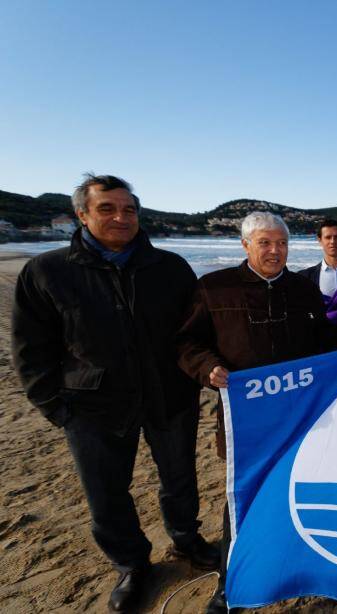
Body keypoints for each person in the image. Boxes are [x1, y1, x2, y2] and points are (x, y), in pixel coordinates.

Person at [11, 174, 218, 612]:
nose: (121, 217)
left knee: (180, 479)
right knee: (106, 491)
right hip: (90, 405)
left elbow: (196, 332)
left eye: (128, 209)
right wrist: (58, 408)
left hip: (170, 396)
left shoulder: (170, 268)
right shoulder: (47, 271)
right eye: (107, 209)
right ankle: (130, 564)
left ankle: (186, 539)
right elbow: (31, 352)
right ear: (82, 215)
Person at [176, 211, 337, 614]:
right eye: (265, 243)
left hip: (301, 419)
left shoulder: (302, 289)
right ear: (245, 245)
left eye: (281, 243)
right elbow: (187, 345)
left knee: (301, 493)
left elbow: (324, 333)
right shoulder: (214, 288)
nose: (275, 251)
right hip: (246, 424)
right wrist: (207, 368)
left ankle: (301, 569)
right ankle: (231, 583)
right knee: (243, 500)